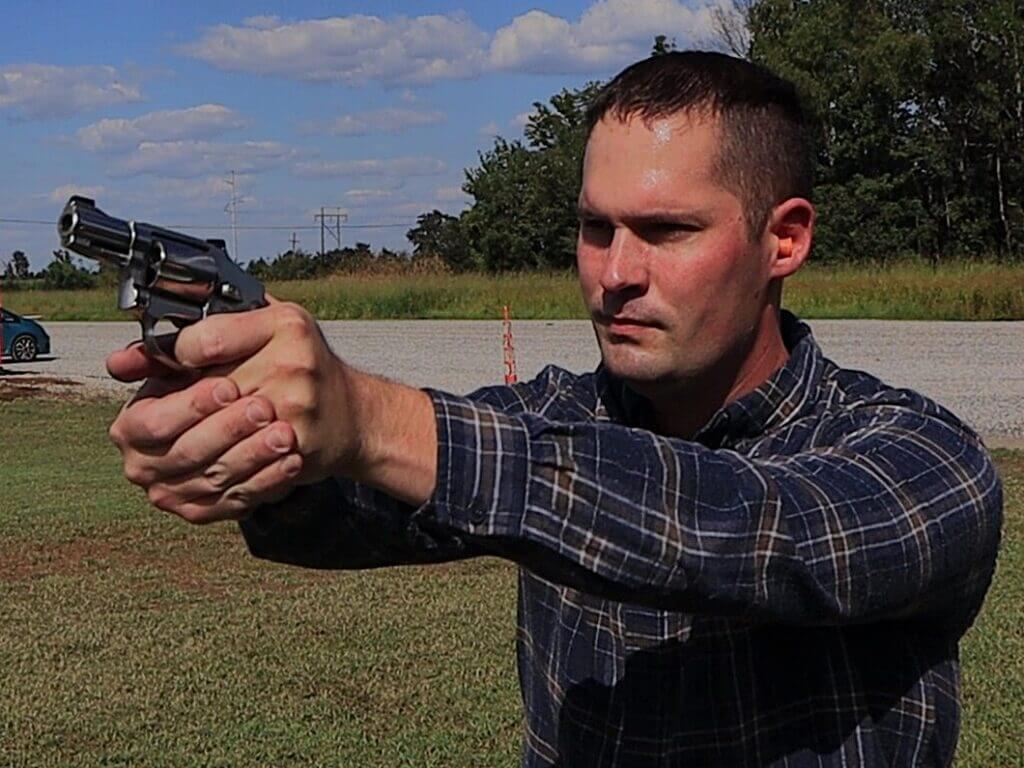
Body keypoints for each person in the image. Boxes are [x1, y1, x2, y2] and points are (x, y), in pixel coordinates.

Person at [106, 52, 1002, 767]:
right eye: (595, 227)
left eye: (667, 230)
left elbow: (750, 529)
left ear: (786, 239)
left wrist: (371, 420)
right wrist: (247, 431)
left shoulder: (922, 458)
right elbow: (350, 514)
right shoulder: (552, 415)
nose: (617, 273)